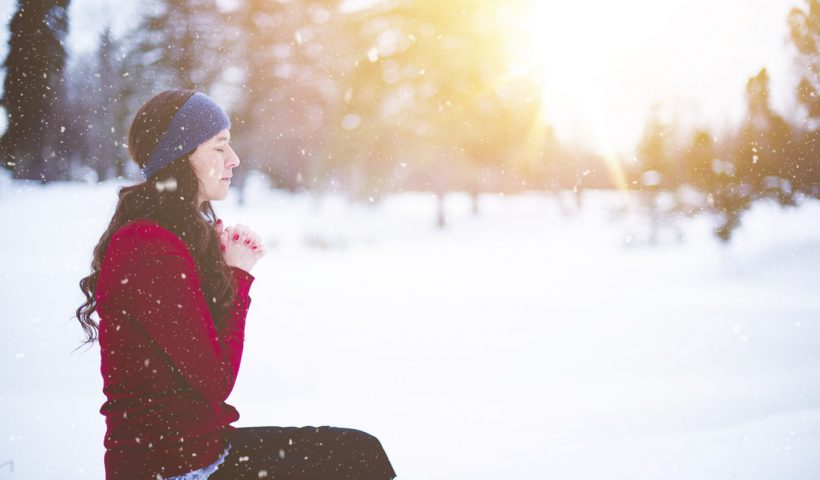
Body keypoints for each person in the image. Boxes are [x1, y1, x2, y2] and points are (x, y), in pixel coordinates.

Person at [74, 89, 398, 480]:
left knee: (358, 453)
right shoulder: (149, 247)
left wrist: (224, 271)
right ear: (182, 155)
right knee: (355, 458)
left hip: (201, 452)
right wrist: (238, 276)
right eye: (219, 147)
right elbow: (215, 380)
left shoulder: (171, 236)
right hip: (173, 469)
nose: (234, 160)